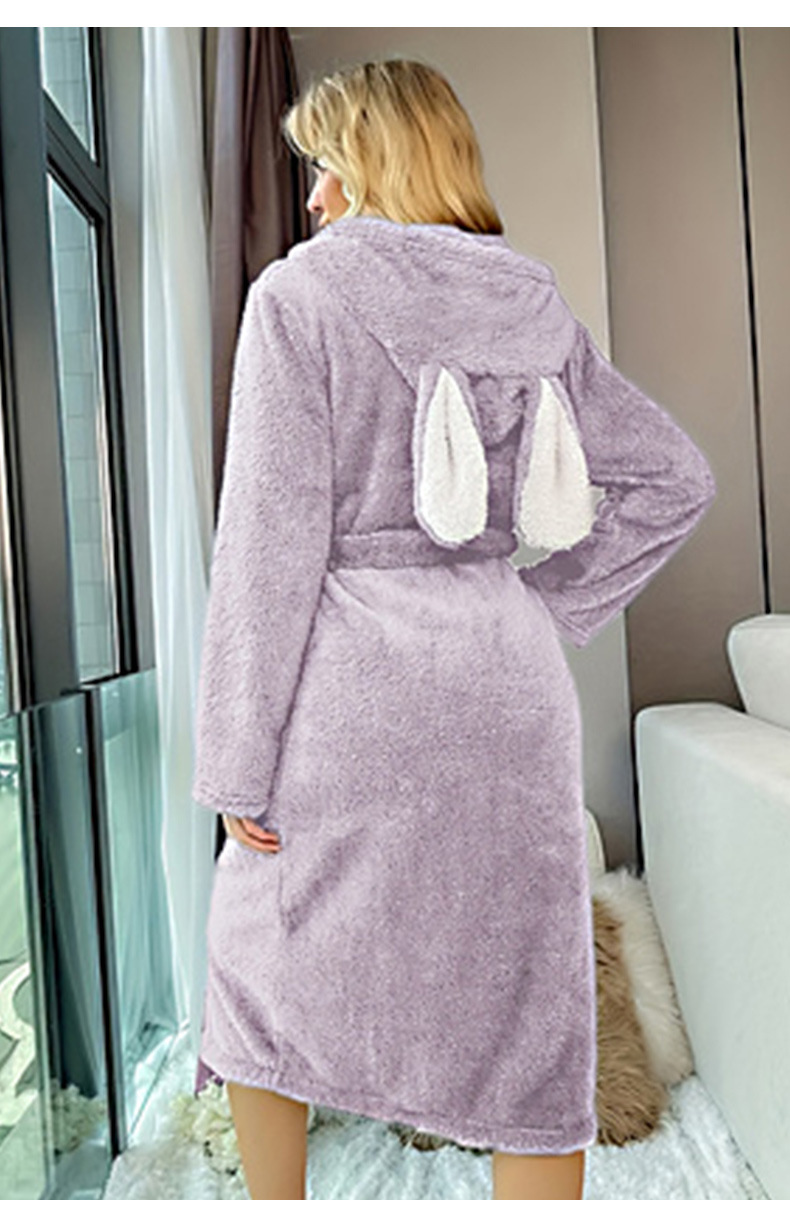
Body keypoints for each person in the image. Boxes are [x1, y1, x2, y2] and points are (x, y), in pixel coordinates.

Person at [191, 58, 717, 1200]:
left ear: (375, 162)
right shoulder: (532, 303)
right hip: (507, 680)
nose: (315, 197)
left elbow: (266, 548)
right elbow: (673, 478)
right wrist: (538, 599)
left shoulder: (298, 297)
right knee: (529, 1000)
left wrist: (233, 762)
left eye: (327, 167)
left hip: (352, 688)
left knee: (256, 968)